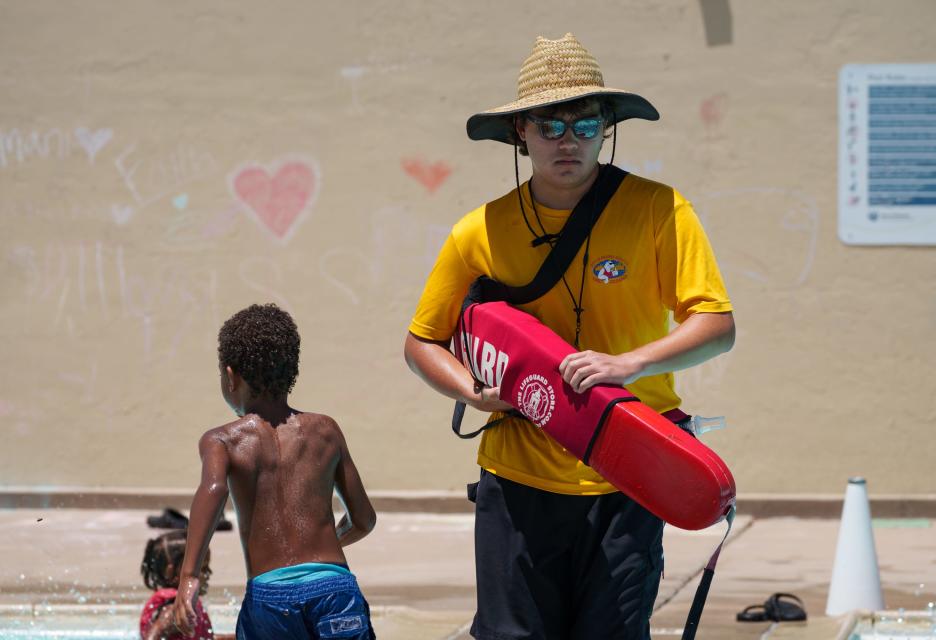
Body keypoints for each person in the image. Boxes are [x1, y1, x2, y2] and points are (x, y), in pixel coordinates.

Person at [403, 33, 735, 640]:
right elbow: (421, 342)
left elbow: (716, 326)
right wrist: (475, 393)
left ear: (606, 129)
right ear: (520, 133)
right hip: (518, 481)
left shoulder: (660, 209)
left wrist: (627, 364)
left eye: (585, 125)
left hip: (631, 471)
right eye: (551, 126)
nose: (569, 141)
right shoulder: (477, 231)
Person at [172, 303, 377, 640]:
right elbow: (364, 520)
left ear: (230, 375)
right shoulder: (326, 430)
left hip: (271, 600)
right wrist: (323, 548)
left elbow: (213, 490)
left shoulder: (221, 441)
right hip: (335, 592)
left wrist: (189, 575)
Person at [140, 530, 225, 640]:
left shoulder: (182, 606)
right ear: (170, 572)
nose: (209, 573)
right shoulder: (175, 607)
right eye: (203, 568)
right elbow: (156, 631)